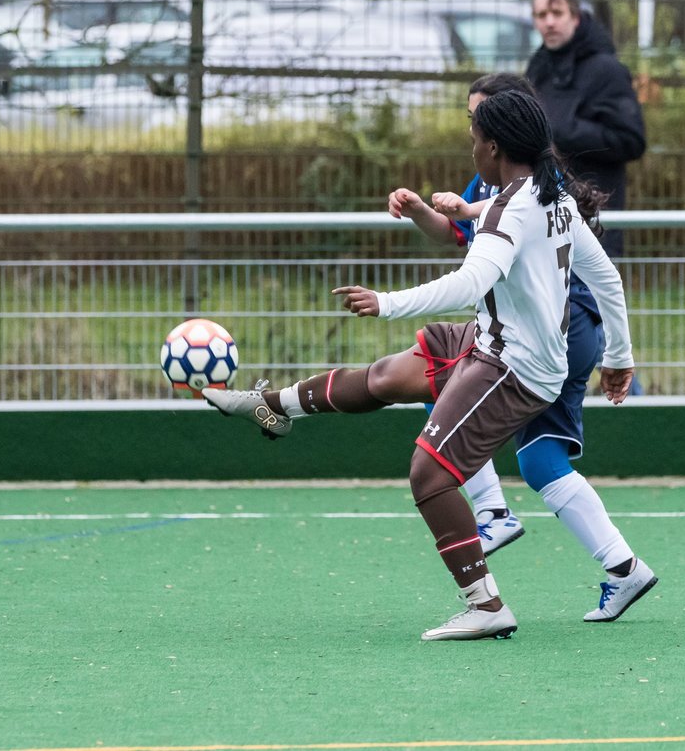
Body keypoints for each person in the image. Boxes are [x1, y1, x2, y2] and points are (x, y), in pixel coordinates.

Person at [203, 89, 637, 641]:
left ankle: (485, 605)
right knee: (391, 375)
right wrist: (618, 357)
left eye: (473, 137)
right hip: (496, 340)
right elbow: (608, 280)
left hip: (512, 366)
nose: (471, 147)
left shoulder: (514, 209)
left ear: (494, 146)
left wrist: (386, 302)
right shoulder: (549, 196)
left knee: (429, 475)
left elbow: (469, 282)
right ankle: (274, 407)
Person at [387, 72, 658, 622]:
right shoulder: (508, 182)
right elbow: (469, 231)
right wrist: (439, 212)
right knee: (535, 456)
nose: (471, 130)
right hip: (553, 329)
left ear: (505, 130)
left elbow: (494, 258)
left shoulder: (536, 188)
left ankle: (495, 520)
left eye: (476, 119)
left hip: (553, 328)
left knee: (455, 411)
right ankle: (625, 569)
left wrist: (386, 301)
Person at [526, 0, 647, 259]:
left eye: (557, 13)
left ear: (576, 18)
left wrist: (561, 131)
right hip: (546, 209)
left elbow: (631, 140)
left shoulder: (606, 70)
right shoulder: (539, 68)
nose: (550, 22)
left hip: (595, 208)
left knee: (591, 299)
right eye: (542, 16)